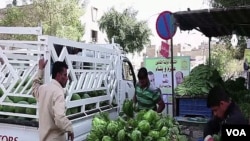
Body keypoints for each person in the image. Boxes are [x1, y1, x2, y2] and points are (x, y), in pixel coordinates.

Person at [32, 58, 74, 141]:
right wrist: (69, 129)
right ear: (58, 75)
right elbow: (59, 118)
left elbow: (34, 89)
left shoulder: (43, 88)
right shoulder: (58, 93)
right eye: (65, 75)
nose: (67, 78)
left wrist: (41, 70)